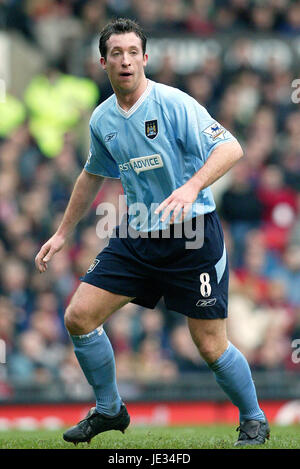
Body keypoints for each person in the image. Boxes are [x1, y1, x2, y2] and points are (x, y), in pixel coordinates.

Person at [35, 18, 270, 447]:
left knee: (211, 346)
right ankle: (109, 411)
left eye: (132, 53)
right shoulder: (102, 118)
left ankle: (254, 420)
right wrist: (63, 231)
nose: (125, 61)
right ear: (103, 61)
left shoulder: (174, 103)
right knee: (78, 317)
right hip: (138, 235)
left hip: (193, 235)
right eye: (116, 54)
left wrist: (191, 186)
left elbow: (231, 147)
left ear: (145, 58)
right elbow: (91, 175)